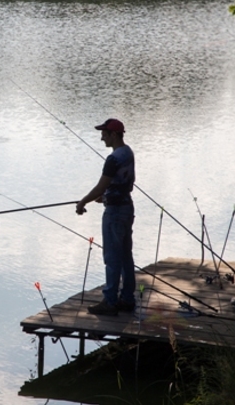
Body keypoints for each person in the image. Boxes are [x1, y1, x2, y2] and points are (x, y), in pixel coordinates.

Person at [76, 118, 136, 316]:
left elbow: (100, 186)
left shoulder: (113, 159)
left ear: (113, 135)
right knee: (126, 254)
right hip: (127, 208)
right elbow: (125, 183)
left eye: (104, 133)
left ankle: (110, 301)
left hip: (115, 213)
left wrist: (83, 202)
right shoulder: (128, 153)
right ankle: (127, 299)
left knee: (112, 257)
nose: (102, 137)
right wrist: (107, 196)